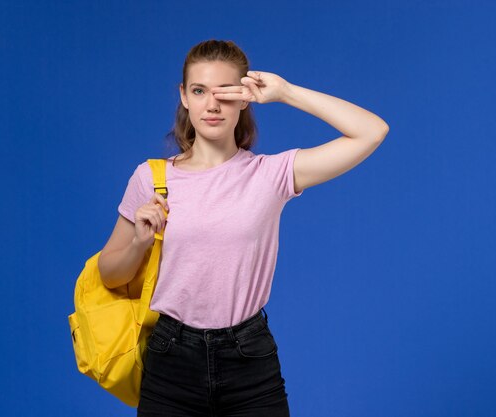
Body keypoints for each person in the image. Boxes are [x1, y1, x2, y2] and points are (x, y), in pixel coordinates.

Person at [97, 39, 389, 417]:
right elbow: (109, 274)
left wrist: (286, 92)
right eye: (200, 91)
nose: (212, 105)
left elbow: (372, 131)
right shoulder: (151, 178)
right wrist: (139, 243)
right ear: (184, 96)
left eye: (225, 92)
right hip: (170, 357)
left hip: (248, 356)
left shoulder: (271, 174)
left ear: (245, 98)